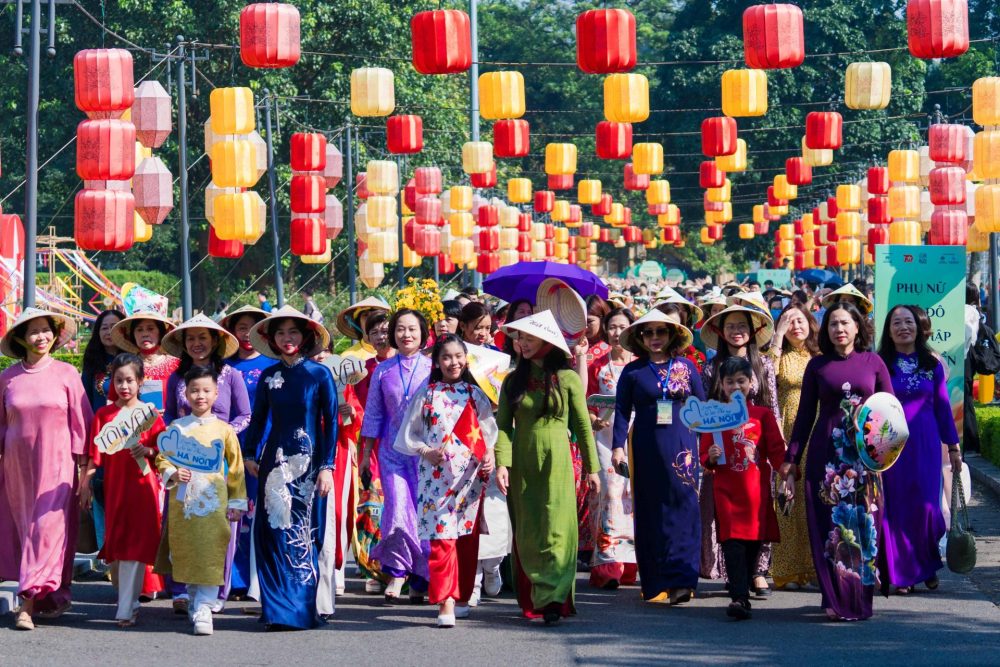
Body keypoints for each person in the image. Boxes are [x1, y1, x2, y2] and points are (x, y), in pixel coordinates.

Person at [780, 302, 894, 621]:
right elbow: (804, 417)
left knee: (864, 523)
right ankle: (834, 594)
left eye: (845, 323)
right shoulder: (817, 366)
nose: (839, 329)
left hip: (865, 459)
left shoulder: (874, 362)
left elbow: (890, 409)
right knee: (831, 526)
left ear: (858, 327)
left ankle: (859, 596)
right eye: (832, 324)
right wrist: (791, 460)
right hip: (826, 458)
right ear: (826, 330)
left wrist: (877, 433)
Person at [495, 310, 600, 624]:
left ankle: (553, 598)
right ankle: (535, 590)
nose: (522, 344)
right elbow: (503, 428)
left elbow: (582, 426)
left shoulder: (567, 378)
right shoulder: (512, 381)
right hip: (522, 459)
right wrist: (503, 463)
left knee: (556, 526)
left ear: (547, 342)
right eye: (519, 338)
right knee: (529, 528)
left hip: (558, 458)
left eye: (529, 338)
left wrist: (593, 469)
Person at [242, 306, 338, 629]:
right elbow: (258, 420)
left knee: (303, 533)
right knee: (271, 534)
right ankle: (274, 611)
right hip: (274, 463)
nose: (287, 338)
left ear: (306, 336)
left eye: (293, 332)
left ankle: (300, 611)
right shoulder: (269, 377)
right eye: (281, 333)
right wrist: (250, 452)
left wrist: (327, 465)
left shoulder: (319, 374)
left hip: (310, 466)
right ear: (272, 338)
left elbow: (331, 422)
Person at [394, 334, 497, 627]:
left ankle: (462, 596)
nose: (453, 362)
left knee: (466, 539)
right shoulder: (426, 395)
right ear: (437, 362)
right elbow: (407, 435)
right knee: (442, 540)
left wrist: (489, 455)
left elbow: (489, 432)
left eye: (458, 356)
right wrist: (426, 451)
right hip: (436, 479)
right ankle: (445, 602)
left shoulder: (476, 395)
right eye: (446, 357)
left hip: (470, 478)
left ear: (467, 360)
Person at [0, 308, 93, 631]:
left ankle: (25, 604)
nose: (41, 337)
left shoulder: (67, 374)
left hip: (57, 466)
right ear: (21, 339)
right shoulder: (8, 378)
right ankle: (48, 596)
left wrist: (86, 472)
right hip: (16, 467)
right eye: (33, 332)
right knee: (27, 531)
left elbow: (83, 426)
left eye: (45, 330)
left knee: (47, 530)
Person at [611, 309, 704, 605]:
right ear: (640, 337)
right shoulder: (633, 371)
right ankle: (655, 582)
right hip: (646, 446)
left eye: (660, 332)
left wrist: (710, 446)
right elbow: (622, 411)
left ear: (672, 335)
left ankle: (682, 580)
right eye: (648, 333)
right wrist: (617, 446)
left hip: (683, 445)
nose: (654, 338)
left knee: (684, 507)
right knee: (650, 510)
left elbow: (701, 407)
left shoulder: (687, 367)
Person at [161, 314, 251, 610]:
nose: (197, 343)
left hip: (220, 461)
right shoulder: (177, 378)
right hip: (184, 460)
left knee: (221, 527)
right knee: (182, 521)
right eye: (191, 338)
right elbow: (169, 416)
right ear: (183, 344)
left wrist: (221, 435)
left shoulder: (231, 375)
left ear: (215, 341)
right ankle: (182, 589)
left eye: (203, 338)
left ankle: (217, 591)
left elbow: (245, 415)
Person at [156, 367, 247, 636]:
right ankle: (195, 599)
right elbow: (162, 458)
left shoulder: (224, 430)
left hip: (213, 502)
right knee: (187, 552)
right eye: (194, 390)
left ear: (216, 394)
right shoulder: (176, 428)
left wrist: (236, 501)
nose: (200, 396)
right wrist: (172, 471)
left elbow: (237, 467)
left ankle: (205, 608)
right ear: (185, 393)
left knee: (209, 552)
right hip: (183, 503)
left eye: (206, 390)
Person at [878, 305, 961, 594]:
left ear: (918, 327)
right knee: (898, 507)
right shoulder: (881, 364)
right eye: (897, 322)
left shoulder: (932, 364)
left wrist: (953, 446)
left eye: (909, 321)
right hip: (890, 445)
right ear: (888, 330)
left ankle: (927, 562)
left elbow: (942, 407)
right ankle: (903, 573)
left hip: (926, 443)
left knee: (927, 507)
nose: (904, 327)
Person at [81, 353, 167, 627]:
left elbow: (163, 451)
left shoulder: (151, 414)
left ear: (141, 381)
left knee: (138, 543)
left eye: (130, 380)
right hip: (116, 489)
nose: (124, 386)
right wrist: (85, 484)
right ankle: (128, 600)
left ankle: (127, 605)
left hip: (143, 487)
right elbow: (94, 455)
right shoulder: (104, 415)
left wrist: (150, 450)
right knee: (118, 542)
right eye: (118, 380)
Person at [699, 305, 778, 593]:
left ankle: (758, 571)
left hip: (756, 450)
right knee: (726, 515)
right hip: (723, 452)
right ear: (721, 331)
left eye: (742, 325)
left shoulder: (764, 364)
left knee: (760, 513)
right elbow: (706, 411)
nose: (736, 331)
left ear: (753, 330)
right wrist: (708, 452)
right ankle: (732, 574)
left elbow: (773, 408)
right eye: (730, 326)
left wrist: (777, 451)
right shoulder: (710, 367)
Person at [701, 356, 785, 620]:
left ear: (752, 383)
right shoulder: (714, 414)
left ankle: (745, 584)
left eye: (741, 381)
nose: (736, 386)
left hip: (756, 492)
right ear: (721, 384)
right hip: (726, 490)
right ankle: (739, 597)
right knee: (731, 542)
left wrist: (788, 473)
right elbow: (704, 453)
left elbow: (775, 450)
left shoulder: (763, 415)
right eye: (730, 382)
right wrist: (710, 456)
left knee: (753, 543)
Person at [359, 308, 433, 602]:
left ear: (423, 333)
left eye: (412, 329)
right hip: (391, 453)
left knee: (422, 516)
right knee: (397, 512)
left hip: (424, 454)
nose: (406, 335)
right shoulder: (383, 371)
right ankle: (398, 573)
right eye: (400, 329)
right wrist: (366, 454)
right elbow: (374, 414)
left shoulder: (432, 368)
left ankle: (421, 577)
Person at [220, 305, 272, 597]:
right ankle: (233, 577)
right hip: (229, 447)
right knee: (232, 508)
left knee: (257, 510)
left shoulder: (270, 365)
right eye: (241, 328)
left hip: (261, 445)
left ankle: (255, 577)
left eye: (254, 328)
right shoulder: (224, 367)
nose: (247, 334)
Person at [767, 303, 820, 590]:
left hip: (818, 432)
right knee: (786, 499)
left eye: (800, 320)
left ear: (811, 323)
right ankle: (787, 568)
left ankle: (814, 567)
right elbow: (764, 377)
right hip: (787, 431)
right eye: (789, 322)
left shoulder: (820, 356)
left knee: (814, 498)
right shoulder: (779, 357)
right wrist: (777, 334)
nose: (795, 326)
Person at [587, 307, 637, 589]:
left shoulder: (641, 364)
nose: (617, 332)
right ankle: (607, 566)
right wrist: (593, 418)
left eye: (622, 326)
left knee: (633, 499)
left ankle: (629, 563)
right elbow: (587, 399)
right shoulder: (598, 365)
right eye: (613, 327)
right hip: (605, 441)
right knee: (610, 495)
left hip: (635, 436)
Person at [352, 311, 393, 594]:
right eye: (374, 331)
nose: (380, 336)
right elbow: (354, 407)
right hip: (371, 445)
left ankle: (401, 569)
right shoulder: (361, 370)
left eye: (385, 330)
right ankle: (376, 568)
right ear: (367, 337)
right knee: (373, 508)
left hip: (400, 444)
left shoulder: (412, 365)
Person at [80, 308, 125, 553]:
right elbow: (85, 405)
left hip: (129, 439)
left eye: (114, 327)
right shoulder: (92, 365)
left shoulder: (133, 361)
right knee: (101, 490)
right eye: (104, 327)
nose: (109, 332)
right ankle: (107, 552)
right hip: (100, 439)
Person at [110, 310, 181, 412]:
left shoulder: (177, 365)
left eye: (150, 329)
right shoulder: (125, 366)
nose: (145, 334)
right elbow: (113, 403)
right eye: (139, 330)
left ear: (160, 332)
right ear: (133, 335)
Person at [338, 296, 392, 362]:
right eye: (366, 315)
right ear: (358, 323)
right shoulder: (348, 358)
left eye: (376, 314)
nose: (371, 319)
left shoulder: (398, 352)